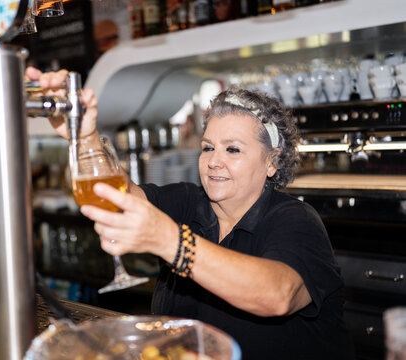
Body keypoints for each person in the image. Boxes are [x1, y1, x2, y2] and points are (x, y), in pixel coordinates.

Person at [26, 67, 355, 360]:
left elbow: (277, 295)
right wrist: (83, 136)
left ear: (272, 161)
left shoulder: (295, 220)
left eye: (233, 149)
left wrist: (171, 241)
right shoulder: (187, 202)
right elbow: (114, 198)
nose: (214, 161)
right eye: (208, 147)